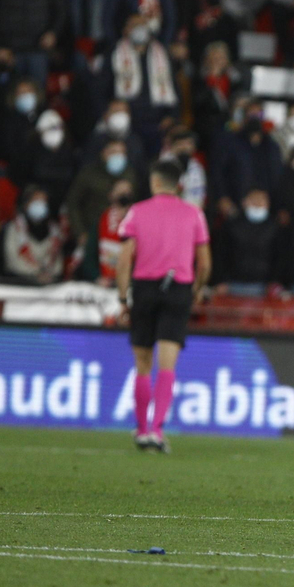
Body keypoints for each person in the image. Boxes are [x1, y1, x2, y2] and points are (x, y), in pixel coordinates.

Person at [115, 159, 213, 453]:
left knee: (142, 364)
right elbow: (205, 262)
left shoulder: (137, 211)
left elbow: (123, 259)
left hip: (144, 289)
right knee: (167, 364)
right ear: (178, 184)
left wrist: (123, 298)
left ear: (155, 182)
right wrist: (196, 289)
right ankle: (158, 430)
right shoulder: (194, 214)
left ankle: (142, 430)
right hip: (178, 289)